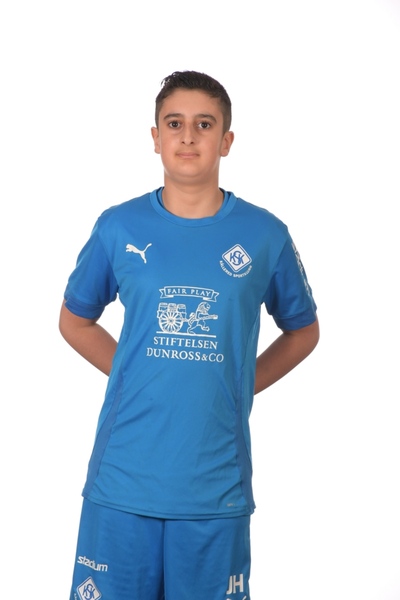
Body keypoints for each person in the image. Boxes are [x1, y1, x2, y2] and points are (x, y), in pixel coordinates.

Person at [60, 70, 319, 600]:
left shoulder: (264, 235)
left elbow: (303, 332)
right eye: (174, 123)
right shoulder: (118, 226)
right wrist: (137, 373)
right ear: (155, 137)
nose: (188, 136)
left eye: (204, 124)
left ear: (226, 140)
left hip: (214, 488)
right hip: (123, 480)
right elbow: (74, 320)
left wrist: (239, 381)